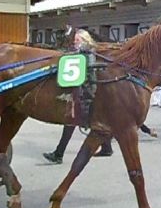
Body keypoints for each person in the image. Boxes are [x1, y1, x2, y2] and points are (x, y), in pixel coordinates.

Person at [43, 29, 111, 164]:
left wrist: (89, 94)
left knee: (72, 121)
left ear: (84, 41)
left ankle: (58, 153)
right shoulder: (82, 53)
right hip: (84, 91)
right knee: (91, 120)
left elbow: (90, 75)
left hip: (84, 93)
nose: (75, 42)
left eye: (77, 40)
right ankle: (106, 147)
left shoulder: (87, 54)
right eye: (74, 40)